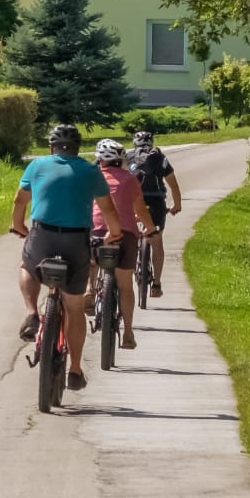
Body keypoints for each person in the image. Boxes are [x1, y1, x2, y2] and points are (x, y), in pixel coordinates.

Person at [12, 124, 124, 392]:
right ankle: (74, 369)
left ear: (52, 147)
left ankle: (31, 314)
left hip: (43, 235)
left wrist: (19, 226)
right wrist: (114, 234)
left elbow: (20, 201)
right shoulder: (90, 170)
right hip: (76, 240)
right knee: (74, 308)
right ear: (76, 148)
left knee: (27, 265)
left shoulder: (37, 166)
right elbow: (108, 208)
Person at [90, 138, 157, 348]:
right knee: (126, 287)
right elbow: (139, 210)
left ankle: (89, 292)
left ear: (99, 159)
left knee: (91, 261)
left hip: (98, 230)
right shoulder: (130, 179)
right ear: (121, 160)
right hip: (126, 234)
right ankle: (128, 332)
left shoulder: (92, 178)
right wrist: (151, 228)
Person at [129, 129, 182, 296]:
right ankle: (157, 285)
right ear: (151, 142)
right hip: (156, 202)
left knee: (129, 239)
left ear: (134, 143)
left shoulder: (128, 156)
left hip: (132, 201)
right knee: (157, 243)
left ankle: (131, 269)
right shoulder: (159, 157)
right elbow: (173, 184)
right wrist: (176, 205)